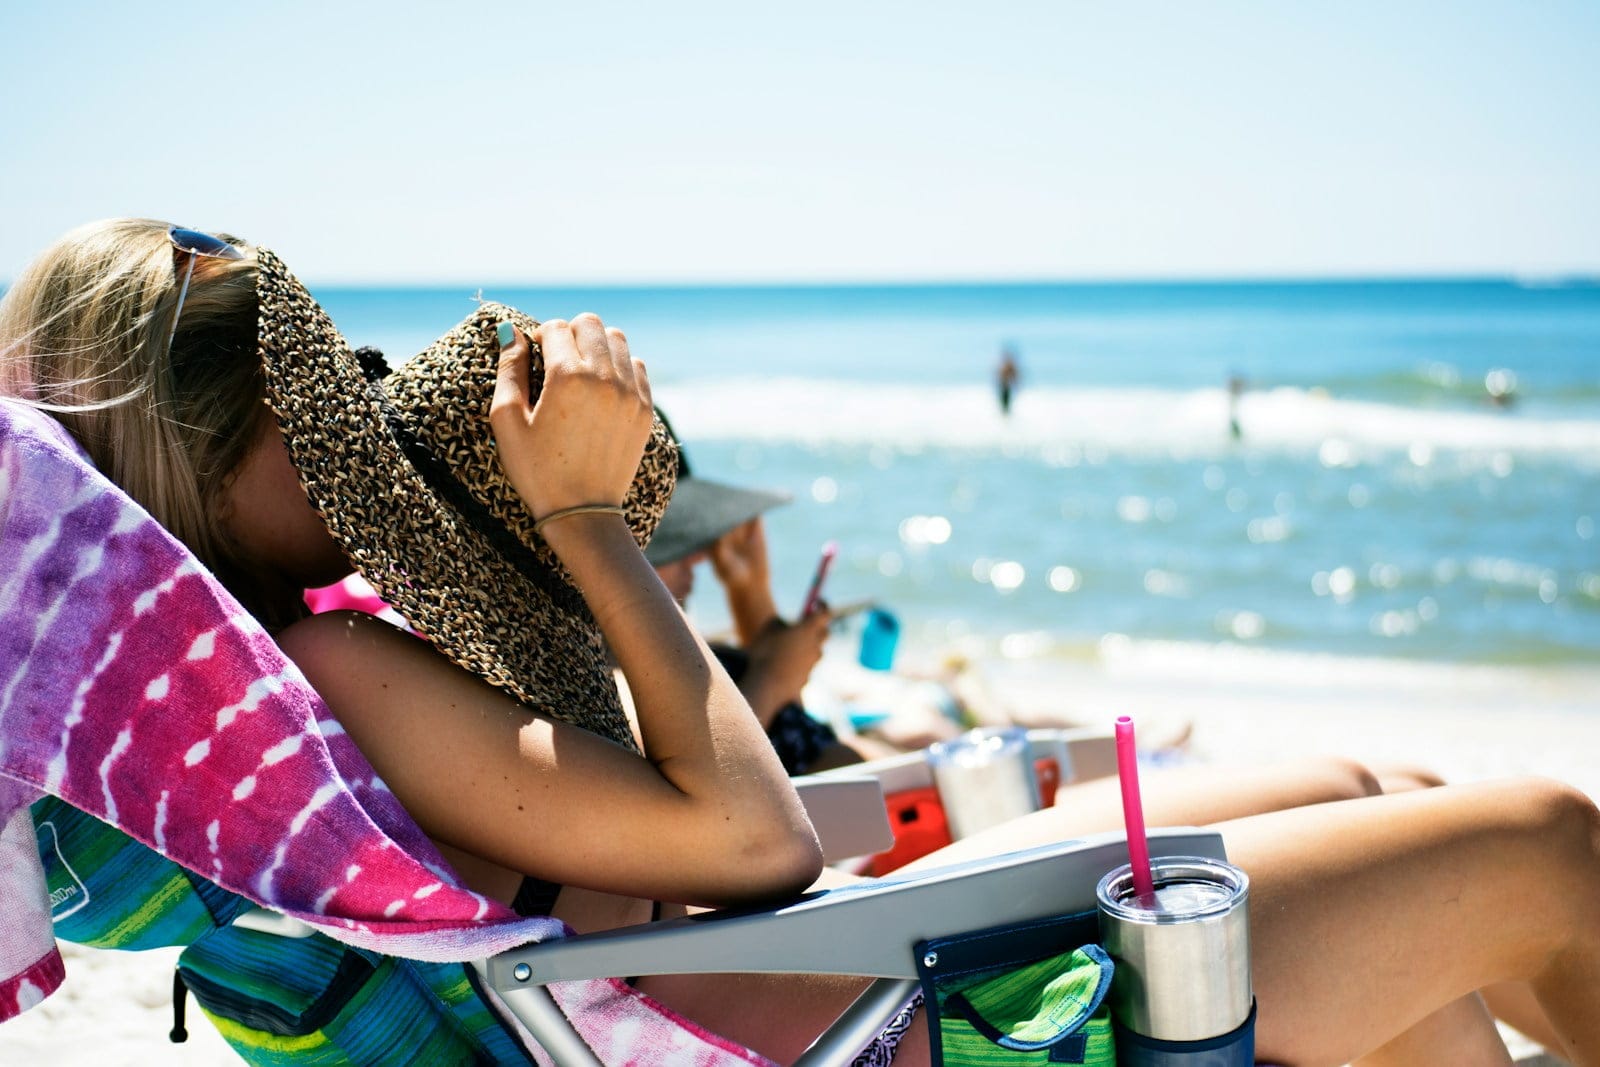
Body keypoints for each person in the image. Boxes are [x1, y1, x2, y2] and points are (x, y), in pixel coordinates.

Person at [2, 218, 1596, 1065]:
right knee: (1547, 842)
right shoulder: (329, 676)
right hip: (868, 1019)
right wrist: (585, 521)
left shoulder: (233, 746)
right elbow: (754, 841)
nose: (343, 409)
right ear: (194, 456)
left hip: (800, 981)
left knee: (1391, 868)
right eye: (310, 402)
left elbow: (653, 853)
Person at [641, 413, 883, 773]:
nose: (698, 554)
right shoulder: (616, 685)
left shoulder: (666, 658)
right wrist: (774, 677)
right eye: (671, 539)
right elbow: (706, 776)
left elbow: (778, 728)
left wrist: (750, 591)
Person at [996, 345, 1020, 415]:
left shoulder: (1009, 365)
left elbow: (1014, 375)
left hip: (1007, 386)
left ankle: (1005, 413)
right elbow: (999, 375)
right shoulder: (1004, 365)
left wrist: (1016, 383)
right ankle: (1005, 413)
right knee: (1004, 401)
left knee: (1006, 401)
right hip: (1004, 385)